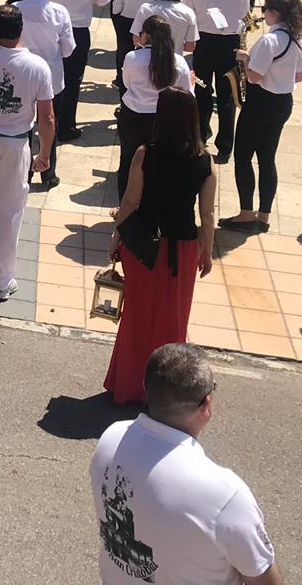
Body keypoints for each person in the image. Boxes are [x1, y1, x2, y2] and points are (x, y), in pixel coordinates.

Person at [91, 343, 282, 585]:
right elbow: (265, 580)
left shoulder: (111, 439)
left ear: (146, 389)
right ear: (207, 405)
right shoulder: (227, 496)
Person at [104, 93, 216, 404]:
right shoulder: (206, 161)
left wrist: (116, 235)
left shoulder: (145, 153)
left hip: (143, 244)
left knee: (136, 317)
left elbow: (130, 202)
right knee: (173, 320)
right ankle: (166, 396)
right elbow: (207, 214)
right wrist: (207, 250)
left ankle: (127, 385)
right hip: (181, 251)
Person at [0, 4, 55, 304]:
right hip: (15, 143)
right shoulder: (38, 66)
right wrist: (45, 151)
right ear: (21, 29)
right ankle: (3, 280)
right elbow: (48, 117)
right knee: (11, 211)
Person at [224, 0, 302, 236]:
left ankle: (246, 214)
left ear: (275, 12)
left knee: (242, 156)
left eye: (266, 10)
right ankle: (264, 215)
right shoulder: (295, 39)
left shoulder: (268, 42)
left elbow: (254, 77)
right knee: (267, 157)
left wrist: (246, 59)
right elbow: (300, 76)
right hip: (283, 103)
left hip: (260, 103)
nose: (263, 14)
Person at [187, 0, 251, 165]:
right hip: (230, 45)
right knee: (226, 96)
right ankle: (225, 147)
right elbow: (244, 13)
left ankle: (202, 135)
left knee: (202, 91)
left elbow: (189, 14)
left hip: (204, 44)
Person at [45, 0, 111, 141]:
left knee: (48, 78)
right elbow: (103, 0)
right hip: (77, 30)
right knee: (73, 80)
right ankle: (66, 126)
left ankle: (48, 120)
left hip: (51, 29)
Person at [117, 17, 193, 199]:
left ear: (147, 35)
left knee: (128, 160)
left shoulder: (132, 57)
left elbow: (127, 84)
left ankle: (125, 208)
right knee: (158, 165)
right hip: (164, 120)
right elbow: (186, 94)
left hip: (133, 117)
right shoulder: (179, 62)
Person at [17, 0, 74, 189]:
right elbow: (69, 49)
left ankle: (25, 172)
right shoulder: (60, 12)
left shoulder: (15, 8)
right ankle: (48, 173)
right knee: (50, 123)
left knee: (24, 124)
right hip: (52, 75)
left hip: (23, 74)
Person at [131, 0, 199, 55]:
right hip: (175, 62)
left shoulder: (145, 8)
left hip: (147, 60)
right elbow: (190, 47)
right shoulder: (188, 12)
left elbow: (136, 40)